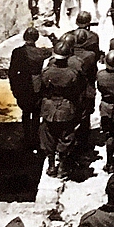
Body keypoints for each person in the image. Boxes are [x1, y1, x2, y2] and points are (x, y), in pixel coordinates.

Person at [40, 44, 83, 178]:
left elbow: (42, 90)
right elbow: (78, 92)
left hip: (49, 108)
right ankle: (63, 166)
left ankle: (51, 165)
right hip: (66, 108)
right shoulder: (72, 74)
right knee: (66, 137)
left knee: (48, 136)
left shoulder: (46, 72)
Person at [8, 27, 51, 151]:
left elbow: (12, 72)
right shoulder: (41, 53)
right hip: (37, 84)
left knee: (26, 113)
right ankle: (35, 138)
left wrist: (14, 88)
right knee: (36, 113)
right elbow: (52, 51)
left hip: (23, 85)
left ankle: (27, 138)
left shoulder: (17, 52)